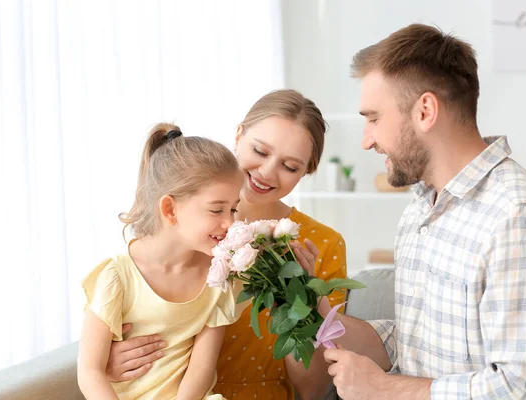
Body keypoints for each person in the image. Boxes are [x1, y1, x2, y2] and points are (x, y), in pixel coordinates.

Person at [322, 23, 526, 399]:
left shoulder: (516, 213)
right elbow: (414, 345)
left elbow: (522, 388)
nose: (367, 140)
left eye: (374, 118)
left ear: (425, 110)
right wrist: (315, 312)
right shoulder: (420, 209)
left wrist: (383, 388)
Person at [105, 90, 349, 400]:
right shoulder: (188, 226)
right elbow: (123, 321)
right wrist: (107, 364)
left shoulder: (321, 244)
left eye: (290, 167)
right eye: (260, 151)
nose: (267, 172)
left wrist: (298, 298)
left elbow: (312, 388)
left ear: (307, 172)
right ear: (238, 135)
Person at [77, 123, 245, 399]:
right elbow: (90, 372)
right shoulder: (117, 276)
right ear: (170, 209)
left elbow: (201, 370)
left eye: (233, 209)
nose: (229, 222)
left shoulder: (219, 276)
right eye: (217, 209)